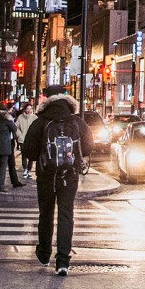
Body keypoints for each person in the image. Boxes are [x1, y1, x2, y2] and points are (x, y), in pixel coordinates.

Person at [23, 84, 91, 276]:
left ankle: (44, 253)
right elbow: (87, 147)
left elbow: (29, 151)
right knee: (66, 214)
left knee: (46, 213)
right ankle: (62, 261)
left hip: (46, 175)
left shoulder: (41, 121)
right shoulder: (77, 122)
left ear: (46, 98)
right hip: (69, 175)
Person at [0, 102, 25, 191]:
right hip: (5, 143)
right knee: (3, 164)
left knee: (0, 163)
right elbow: (14, 128)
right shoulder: (6, 119)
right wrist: (11, 120)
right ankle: (0, 185)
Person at [15, 101, 37, 179]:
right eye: (27, 108)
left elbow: (37, 127)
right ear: (25, 109)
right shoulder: (20, 117)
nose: (29, 110)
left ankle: (29, 170)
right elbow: (16, 127)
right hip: (23, 139)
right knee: (24, 154)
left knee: (31, 155)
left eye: (30, 109)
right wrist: (19, 135)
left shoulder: (34, 117)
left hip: (31, 139)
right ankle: (25, 169)